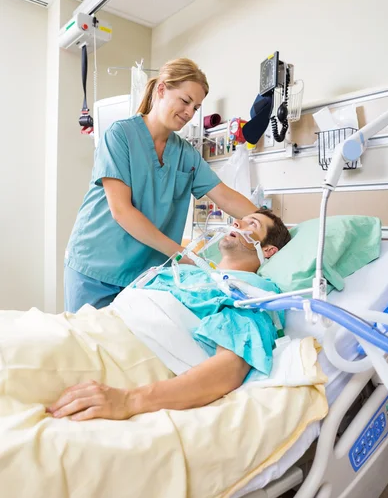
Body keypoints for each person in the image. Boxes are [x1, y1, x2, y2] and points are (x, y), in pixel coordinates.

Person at [2, 210, 291, 422]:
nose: (237, 222)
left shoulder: (249, 293)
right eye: (241, 218)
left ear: (268, 250)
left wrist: (129, 400)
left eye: (251, 224)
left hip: (120, 353)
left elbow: (229, 369)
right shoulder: (192, 273)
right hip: (84, 327)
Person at [64, 57, 258, 313]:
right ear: (162, 89)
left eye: (196, 107)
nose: (189, 113)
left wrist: (267, 223)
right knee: (84, 347)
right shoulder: (120, 136)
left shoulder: (185, 154)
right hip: (96, 266)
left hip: (142, 277)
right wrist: (181, 254)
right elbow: (121, 211)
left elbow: (225, 196)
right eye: (185, 101)